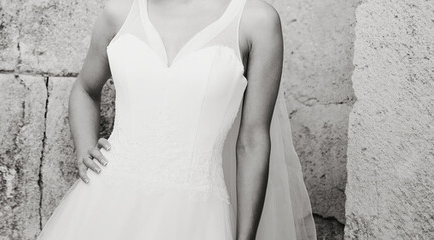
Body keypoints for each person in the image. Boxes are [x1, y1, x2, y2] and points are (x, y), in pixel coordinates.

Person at [36, 0, 317, 239]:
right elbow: (85, 89)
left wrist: (245, 237)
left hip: (195, 209)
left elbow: (253, 140)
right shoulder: (120, 12)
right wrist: (85, 149)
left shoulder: (255, 20)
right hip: (104, 202)